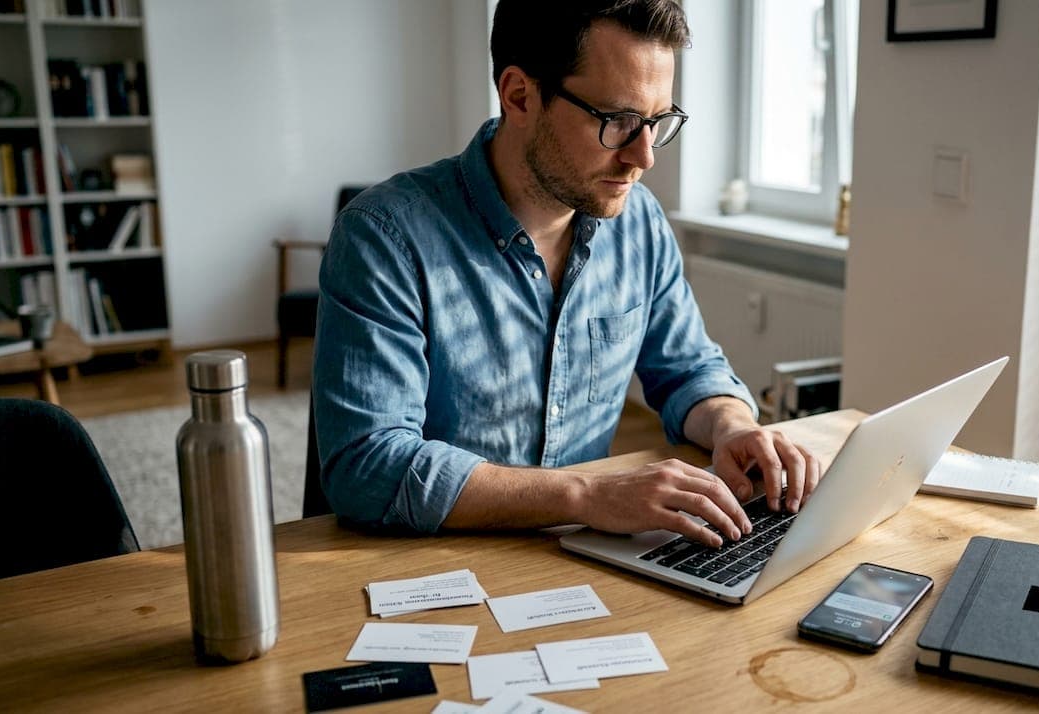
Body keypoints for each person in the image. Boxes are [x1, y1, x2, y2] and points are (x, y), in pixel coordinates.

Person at [313, 0, 822, 548]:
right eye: (619, 121)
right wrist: (586, 496)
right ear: (519, 96)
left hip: (581, 556)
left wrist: (733, 426)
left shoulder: (639, 222)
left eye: (657, 121)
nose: (644, 156)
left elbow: (687, 367)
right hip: (427, 562)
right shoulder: (385, 237)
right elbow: (367, 466)